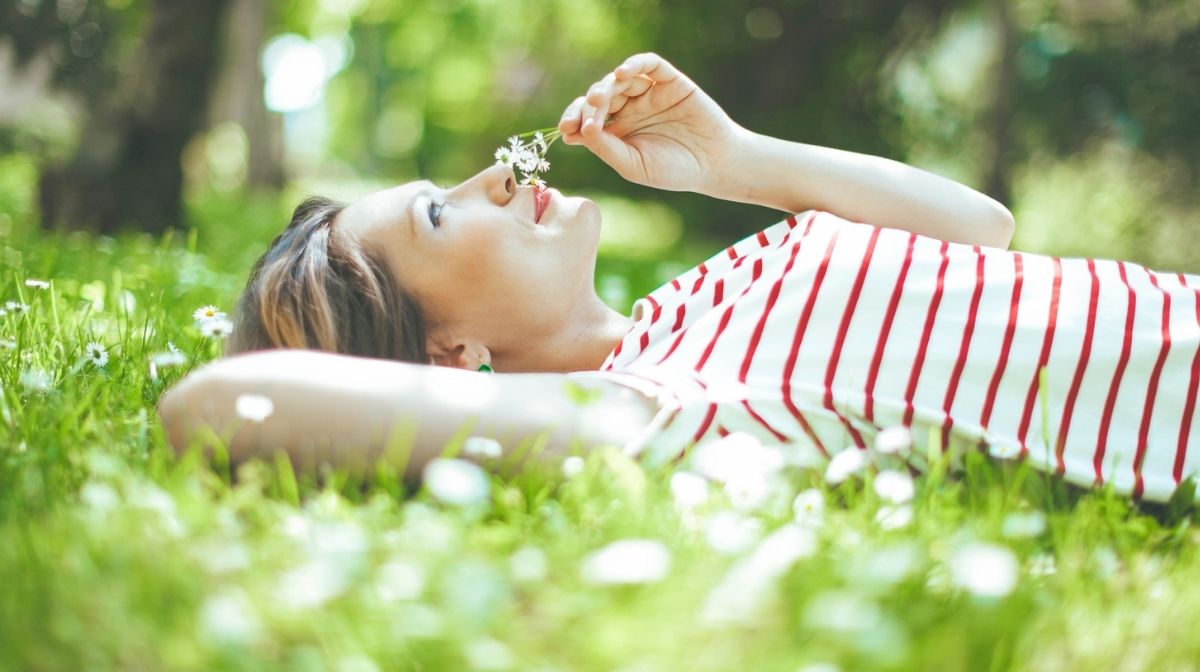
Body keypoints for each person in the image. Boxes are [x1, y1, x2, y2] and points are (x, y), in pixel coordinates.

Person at [158, 53, 1200, 502]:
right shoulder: (642, 409)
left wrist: (738, 160)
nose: (491, 173)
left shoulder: (697, 301)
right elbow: (218, 406)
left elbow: (983, 230)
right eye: (441, 213)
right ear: (448, 357)